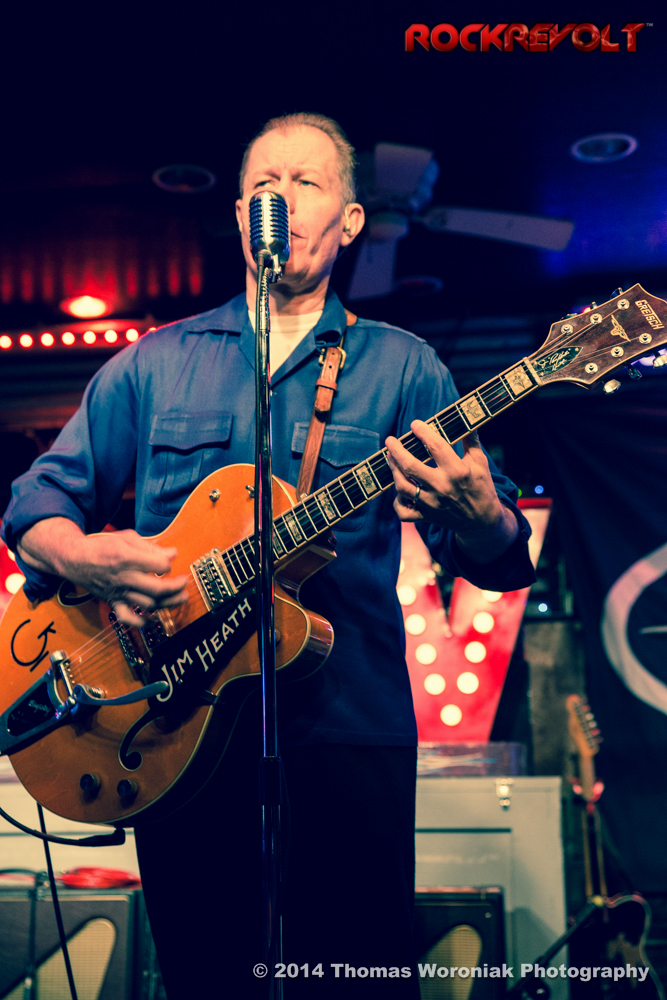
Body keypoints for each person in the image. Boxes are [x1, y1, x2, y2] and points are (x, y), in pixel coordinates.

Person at [2, 113, 534, 997]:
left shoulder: (404, 368)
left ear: (351, 221)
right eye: (262, 185)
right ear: (240, 214)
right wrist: (87, 558)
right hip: (172, 729)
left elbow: (497, 558)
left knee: (356, 975)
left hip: (345, 729)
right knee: (208, 974)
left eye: (305, 182)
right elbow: (37, 505)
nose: (278, 199)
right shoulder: (154, 363)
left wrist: (481, 515)